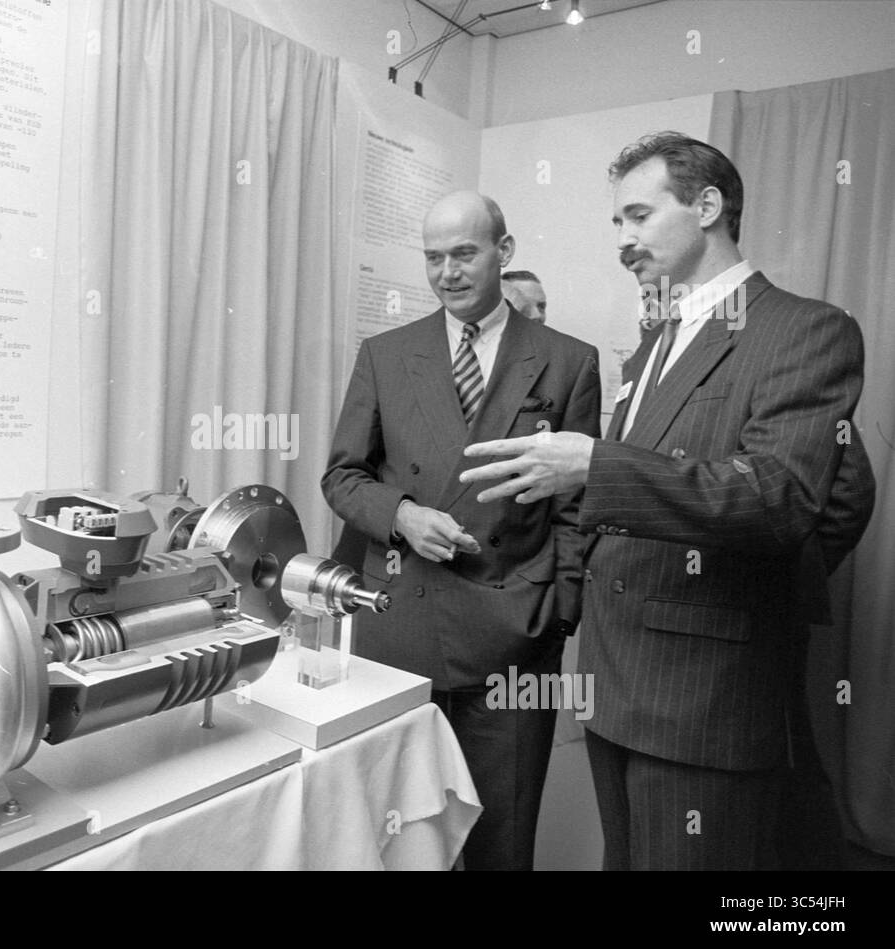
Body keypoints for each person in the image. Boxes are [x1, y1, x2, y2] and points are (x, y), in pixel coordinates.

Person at [458, 132, 874, 870]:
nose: (622, 239)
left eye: (638, 216)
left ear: (708, 206)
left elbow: (784, 499)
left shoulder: (805, 330)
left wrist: (595, 465)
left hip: (704, 697)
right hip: (617, 682)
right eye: (617, 221)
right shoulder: (656, 341)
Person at [322, 190, 601, 870]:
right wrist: (404, 517)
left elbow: (578, 510)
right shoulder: (387, 354)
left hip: (513, 640)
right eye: (433, 258)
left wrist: (555, 615)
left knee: (502, 843)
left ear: (503, 253)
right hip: (400, 632)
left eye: (464, 254)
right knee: (401, 839)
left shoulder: (568, 361)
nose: (447, 272)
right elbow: (342, 477)